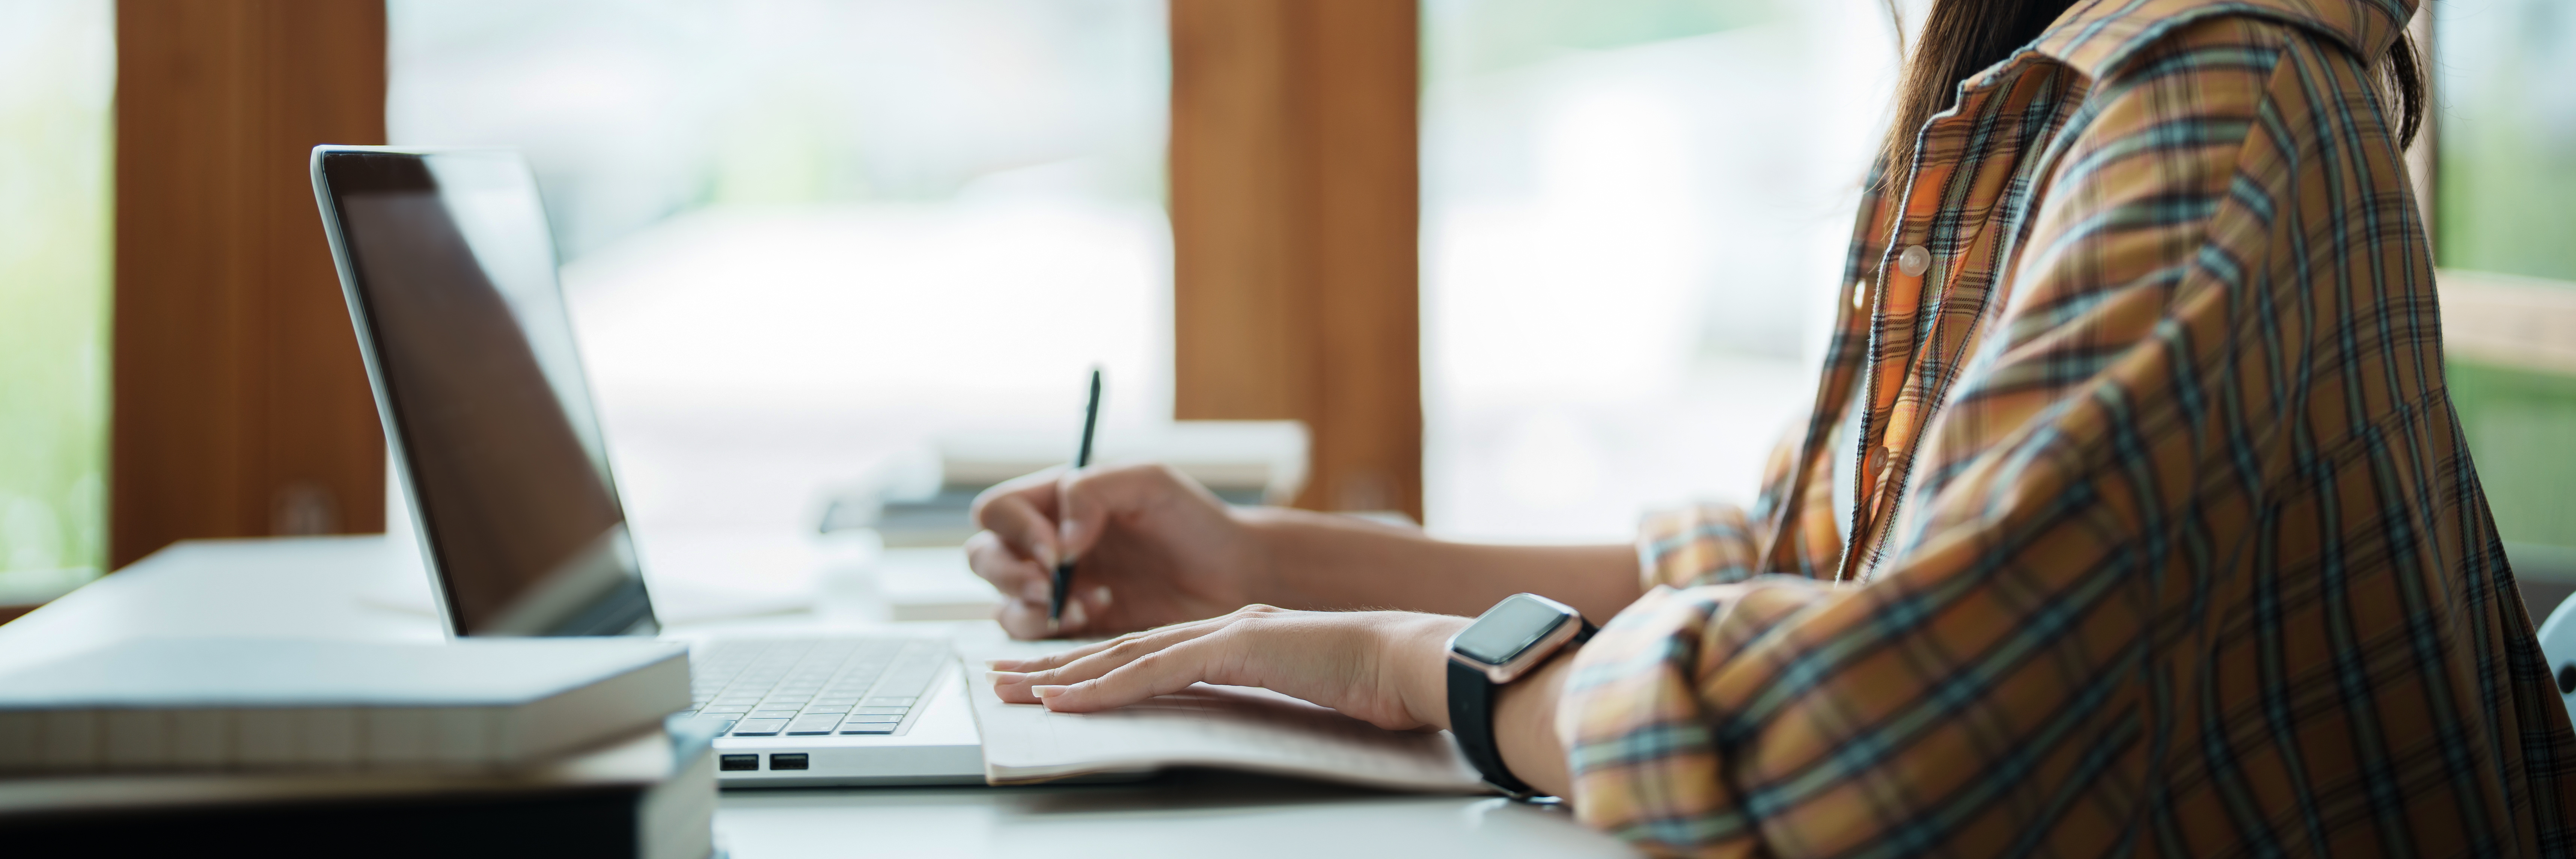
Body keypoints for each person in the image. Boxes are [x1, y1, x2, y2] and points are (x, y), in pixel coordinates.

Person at [970, 0, 2576, 853]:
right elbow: (1809, 554)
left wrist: (1427, 672)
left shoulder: (2206, 110)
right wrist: (1263, 559)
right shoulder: (2060, 80)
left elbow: (1879, 730)